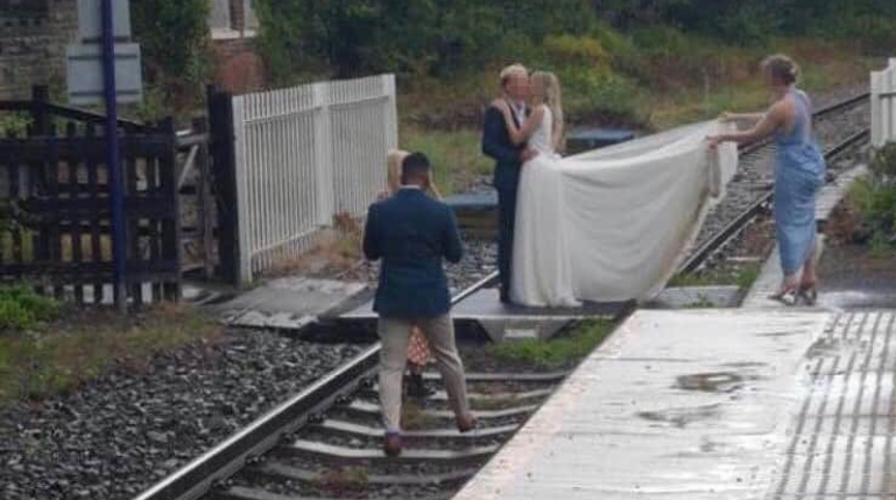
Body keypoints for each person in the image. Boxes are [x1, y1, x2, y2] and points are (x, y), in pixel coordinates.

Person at [363, 152, 477, 457]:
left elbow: (371, 252)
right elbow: (455, 255)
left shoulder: (380, 211)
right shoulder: (440, 212)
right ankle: (463, 416)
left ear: (401, 177)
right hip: (431, 297)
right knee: (447, 357)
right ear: (426, 177)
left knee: (390, 365)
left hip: (394, 297)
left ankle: (392, 432)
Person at [709, 54, 825, 305]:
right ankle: (809, 275)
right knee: (806, 220)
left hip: (793, 170)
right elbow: (768, 117)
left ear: (774, 77)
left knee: (788, 223)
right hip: (812, 164)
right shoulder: (800, 97)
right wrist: (736, 116)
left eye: (765, 75)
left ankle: (789, 280)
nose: (763, 79)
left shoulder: (781, 107)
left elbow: (754, 134)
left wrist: (722, 139)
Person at [491, 71, 580, 307]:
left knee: (531, 227)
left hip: (534, 170)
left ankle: (533, 284)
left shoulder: (539, 110)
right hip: (544, 166)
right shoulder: (549, 112)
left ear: (540, 87)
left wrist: (506, 114)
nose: (527, 86)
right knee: (539, 228)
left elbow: (518, 138)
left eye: (531, 83)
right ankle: (543, 282)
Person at [384, 149, 440, 398]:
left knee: (411, 333)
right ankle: (414, 375)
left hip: (396, 279)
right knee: (417, 331)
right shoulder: (396, 201)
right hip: (418, 278)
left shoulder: (386, 203)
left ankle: (413, 375)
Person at [481, 64, 539, 303]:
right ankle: (507, 282)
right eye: (519, 82)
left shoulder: (532, 110)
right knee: (509, 230)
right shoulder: (497, 111)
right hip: (510, 178)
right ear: (507, 86)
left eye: (526, 82)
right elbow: (488, 146)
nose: (524, 86)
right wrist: (515, 157)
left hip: (534, 178)